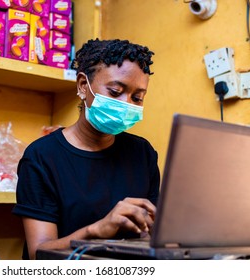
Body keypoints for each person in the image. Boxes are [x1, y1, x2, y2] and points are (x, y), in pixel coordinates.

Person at [13, 38, 160, 260]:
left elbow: (152, 234)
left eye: (137, 98)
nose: (127, 104)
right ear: (83, 85)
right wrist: (96, 231)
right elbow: (38, 253)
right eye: (115, 91)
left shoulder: (143, 153)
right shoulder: (42, 157)